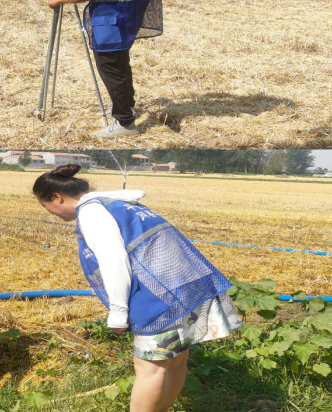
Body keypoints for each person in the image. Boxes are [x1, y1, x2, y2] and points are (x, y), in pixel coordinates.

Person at [33, 166, 242, 412]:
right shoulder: (116, 203)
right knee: (175, 363)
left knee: (150, 370)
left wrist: (118, 311)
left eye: (45, 206)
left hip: (158, 299)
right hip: (187, 289)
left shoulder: (91, 213)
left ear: (57, 197)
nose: (50, 212)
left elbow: (114, 261)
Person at [48, 0, 163, 139]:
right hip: (125, 21)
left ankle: (125, 123)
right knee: (120, 69)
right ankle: (127, 108)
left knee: (113, 73)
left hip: (113, 24)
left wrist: (58, 0)